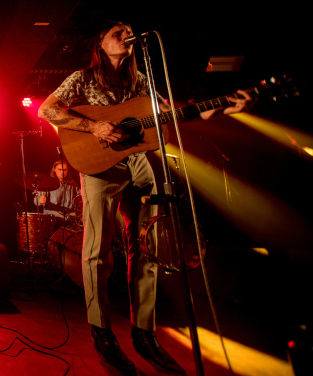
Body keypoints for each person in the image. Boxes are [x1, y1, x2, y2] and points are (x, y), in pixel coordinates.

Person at [37, 21, 253, 373]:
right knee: (97, 251)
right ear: (101, 43)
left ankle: (144, 332)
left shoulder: (143, 80)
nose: (127, 35)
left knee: (150, 245)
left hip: (140, 161)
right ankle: (101, 331)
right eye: (117, 32)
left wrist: (226, 106)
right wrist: (94, 126)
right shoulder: (83, 78)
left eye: (129, 30)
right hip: (100, 164)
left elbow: (174, 114)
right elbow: (46, 110)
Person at [34, 158, 81, 227]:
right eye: (60, 170)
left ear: (67, 171)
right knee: (61, 219)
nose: (62, 172)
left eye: (64, 170)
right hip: (53, 213)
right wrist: (40, 201)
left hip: (69, 213)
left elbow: (80, 198)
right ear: (54, 169)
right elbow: (36, 201)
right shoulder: (48, 183)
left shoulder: (72, 184)